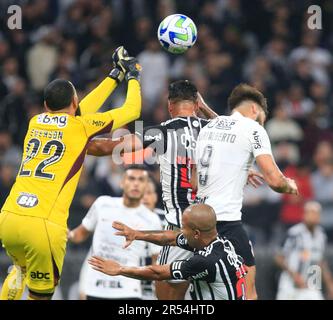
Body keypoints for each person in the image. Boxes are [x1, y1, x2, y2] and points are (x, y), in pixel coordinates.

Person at [86, 80, 262, 299]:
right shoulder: (213, 130)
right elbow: (233, 134)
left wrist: (76, 142)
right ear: (197, 104)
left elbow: (108, 147)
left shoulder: (162, 133)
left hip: (181, 229)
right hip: (215, 228)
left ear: (170, 106)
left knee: (168, 299)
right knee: (241, 292)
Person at [0, 47, 142, 300]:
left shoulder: (35, 121)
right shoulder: (80, 127)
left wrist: (114, 76)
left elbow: (78, 109)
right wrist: (133, 75)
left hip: (10, 215)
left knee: (20, 271)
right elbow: (132, 110)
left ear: (45, 105)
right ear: (75, 102)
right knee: (41, 295)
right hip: (44, 224)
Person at [192, 83, 299, 300]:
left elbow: (195, 180)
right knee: (248, 292)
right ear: (254, 110)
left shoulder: (208, 128)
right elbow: (274, 180)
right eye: (261, 118)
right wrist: (290, 185)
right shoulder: (254, 129)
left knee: (203, 293)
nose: (261, 124)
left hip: (195, 223)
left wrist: (243, 166)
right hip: (225, 224)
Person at [88, 203, 248, 300]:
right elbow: (171, 237)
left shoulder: (206, 261)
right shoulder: (218, 242)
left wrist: (120, 269)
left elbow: (158, 273)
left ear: (197, 233)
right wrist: (136, 234)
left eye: (184, 228)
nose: (181, 231)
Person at [68, 165, 162, 300]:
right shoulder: (103, 203)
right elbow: (80, 233)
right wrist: (68, 235)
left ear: (146, 185)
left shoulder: (152, 219)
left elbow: (155, 263)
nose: (135, 183)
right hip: (95, 288)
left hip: (129, 291)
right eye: (131, 178)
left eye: (141, 180)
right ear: (122, 182)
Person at [275, 201, 333, 300]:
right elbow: (279, 258)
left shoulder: (321, 236)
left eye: (315, 213)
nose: (313, 216)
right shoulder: (295, 233)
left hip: (312, 282)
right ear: (304, 214)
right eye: (310, 213)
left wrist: (330, 285)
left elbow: (321, 262)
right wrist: (294, 275)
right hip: (290, 284)